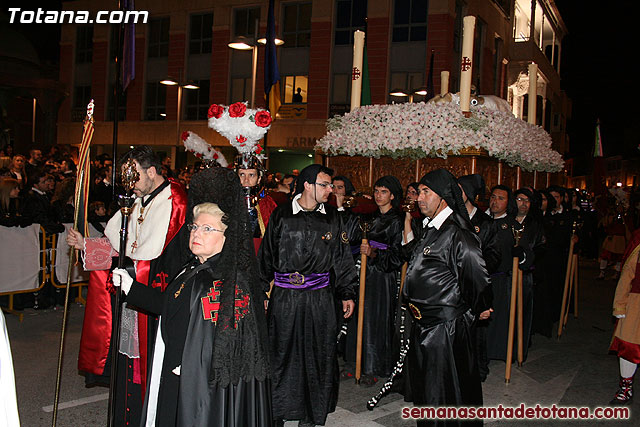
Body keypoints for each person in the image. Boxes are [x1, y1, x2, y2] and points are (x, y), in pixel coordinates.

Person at [112, 167, 272, 426]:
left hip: (204, 387)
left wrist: (192, 366)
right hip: (177, 368)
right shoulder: (192, 269)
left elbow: (228, 342)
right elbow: (171, 307)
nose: (197, 233)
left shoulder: (230, 282)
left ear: (227, 236)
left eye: (208, 229)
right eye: (194, 226)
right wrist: (133, 289)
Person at [66, 146, 190, 427]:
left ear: (151, 171)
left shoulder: (177, 201)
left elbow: (164, 257)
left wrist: (135, 275)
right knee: (128, 362)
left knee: (150, 366)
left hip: (157, 297)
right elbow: (120, 246)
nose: (129, 185)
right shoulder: (138, 199)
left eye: (134, 177)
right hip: (133, 294)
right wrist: (85, 245)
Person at [259, 164, 356, 427]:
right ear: (307, 185)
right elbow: (266, 256)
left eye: (330, 185)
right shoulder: (282, 215)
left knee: (318, 354)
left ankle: (311, 415)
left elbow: (342, 259)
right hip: (285, 298)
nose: (329, 190)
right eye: (324, 185)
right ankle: (277, 411)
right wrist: (261, 291)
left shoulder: (333, 217)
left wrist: (347, 292)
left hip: (319, 298)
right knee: (281, 353)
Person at [401, 169, 491, 424]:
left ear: (444, 196)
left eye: (426, 192)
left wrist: (479, 306)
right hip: (425, 325)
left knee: (448, 390)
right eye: (419, 191)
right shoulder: (431, 227)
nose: (419, 197)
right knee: (428, 389)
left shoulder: (457, 232)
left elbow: (476, 274)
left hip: (445, 328)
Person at [343, 175, 405, 383]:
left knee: (375, 320)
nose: (379, 196)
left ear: (393, 195)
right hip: (363, 273)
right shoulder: (368, 217)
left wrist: (374, 254)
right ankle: (354, 362)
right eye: (376, 191)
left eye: (384, 192)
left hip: (381, 276)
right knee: (357, 316)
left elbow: (399, 255)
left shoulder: (398, 220)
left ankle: (373, 367)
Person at [609, 229, 640, 405]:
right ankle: (626, 387)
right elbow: (628, 272)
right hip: (637, 301)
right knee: (629, 345)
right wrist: (620, 302)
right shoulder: (639, 239)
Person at [235, 154, 278, 253]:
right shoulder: (227, 202)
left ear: (259, 178)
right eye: (242, 174)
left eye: (251, 175)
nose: (246, 180)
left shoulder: (268, 203)